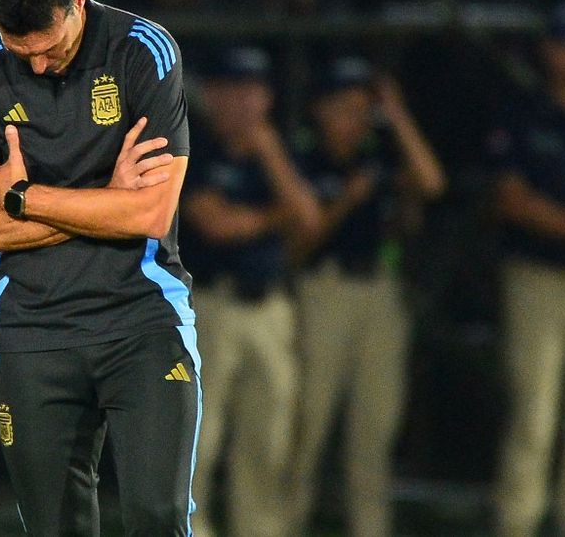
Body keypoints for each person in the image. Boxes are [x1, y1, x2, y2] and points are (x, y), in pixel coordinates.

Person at [0, 0, 200, 536]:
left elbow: (150, 214)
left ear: (78, 0)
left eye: (50, 47)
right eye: (20, 50)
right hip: (32, 328)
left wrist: (22, 197)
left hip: (141, 320)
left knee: (157, 517)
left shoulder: (145, 52)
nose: (37, 65)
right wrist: (105, 197)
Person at [287, 56, 446, 537]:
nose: (353, 120)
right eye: (343, 108)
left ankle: (370, 528)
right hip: (322, 291)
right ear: (321, 110)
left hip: (379, 290)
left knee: (374, 427)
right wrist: (345, 202)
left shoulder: (379, 157)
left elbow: (433, 183)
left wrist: (395, 115)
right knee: (307, 423)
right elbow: (297, 247)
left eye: (362, 109)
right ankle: (279, 523)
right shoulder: (304, 158)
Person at [183, 47, 319, 537]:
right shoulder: (193, 152)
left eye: (255, 92)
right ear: (213, 96)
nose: (246, 103)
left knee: (270, 433)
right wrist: (274, 217)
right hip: (211, 305)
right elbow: (217, 225)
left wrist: (270, 153)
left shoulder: (279, 155)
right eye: (234, 91)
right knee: (201, 435)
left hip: (270, 307)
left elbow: (308, 221)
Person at [489, 0, 565, 537]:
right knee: (533, 415)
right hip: (539, 278)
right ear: (548, 52)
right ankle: (517, 524)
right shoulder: (525, 115)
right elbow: (511, 201)